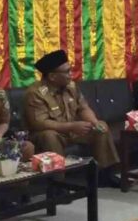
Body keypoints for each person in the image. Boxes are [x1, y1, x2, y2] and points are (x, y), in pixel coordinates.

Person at [24, 50, 121, 187]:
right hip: (47, 134)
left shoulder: (71, 86)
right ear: (52, 76)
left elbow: (83, 108)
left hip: (71, 130)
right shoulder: (35, 93)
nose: (71, 74)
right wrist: (71, 126)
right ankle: (58, 183)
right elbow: (40, 123)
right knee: (49, 136)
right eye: (67, 71)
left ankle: (104, 174)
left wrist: (94, 122)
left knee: (101, 127)